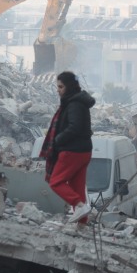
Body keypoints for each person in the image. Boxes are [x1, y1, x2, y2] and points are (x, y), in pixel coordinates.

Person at [39, 71, 96, 224]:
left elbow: (74, 127)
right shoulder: (79, 102)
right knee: (77, 188)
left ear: (69, 87)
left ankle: (79, 206)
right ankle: (82, 224)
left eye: (61, 86)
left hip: (72, 151)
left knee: (56, 182)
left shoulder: (74, 104)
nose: (58, 90)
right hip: (84, 151)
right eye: (57, 86)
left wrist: (57, 140)